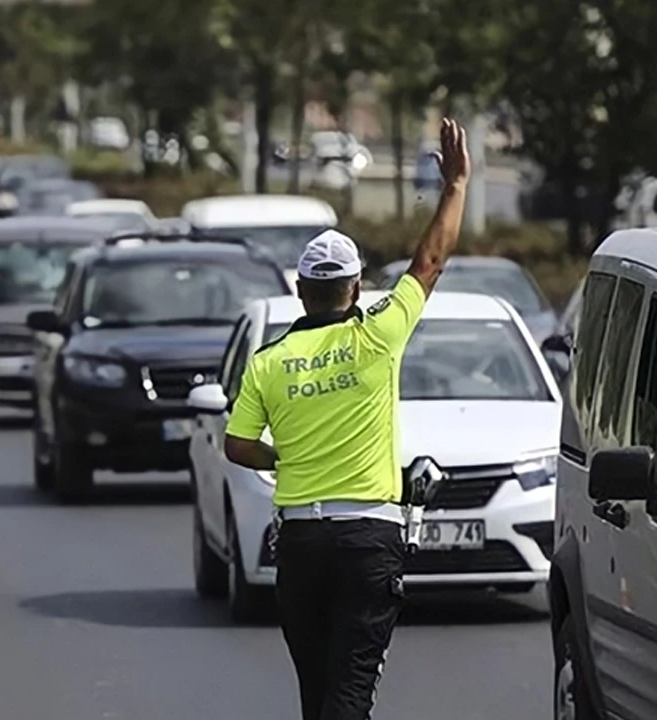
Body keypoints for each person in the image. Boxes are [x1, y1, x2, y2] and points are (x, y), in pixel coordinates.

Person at [223, 118, 470, 720]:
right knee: (350, 694)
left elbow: (236, 446)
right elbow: (430, 260)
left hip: (302, 544)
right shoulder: (379, 335)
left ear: (302, 291)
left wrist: (284, 457)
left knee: (319, 695)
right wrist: (456, 185)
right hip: (368, 541)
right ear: (355, 288)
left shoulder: (269, 362)